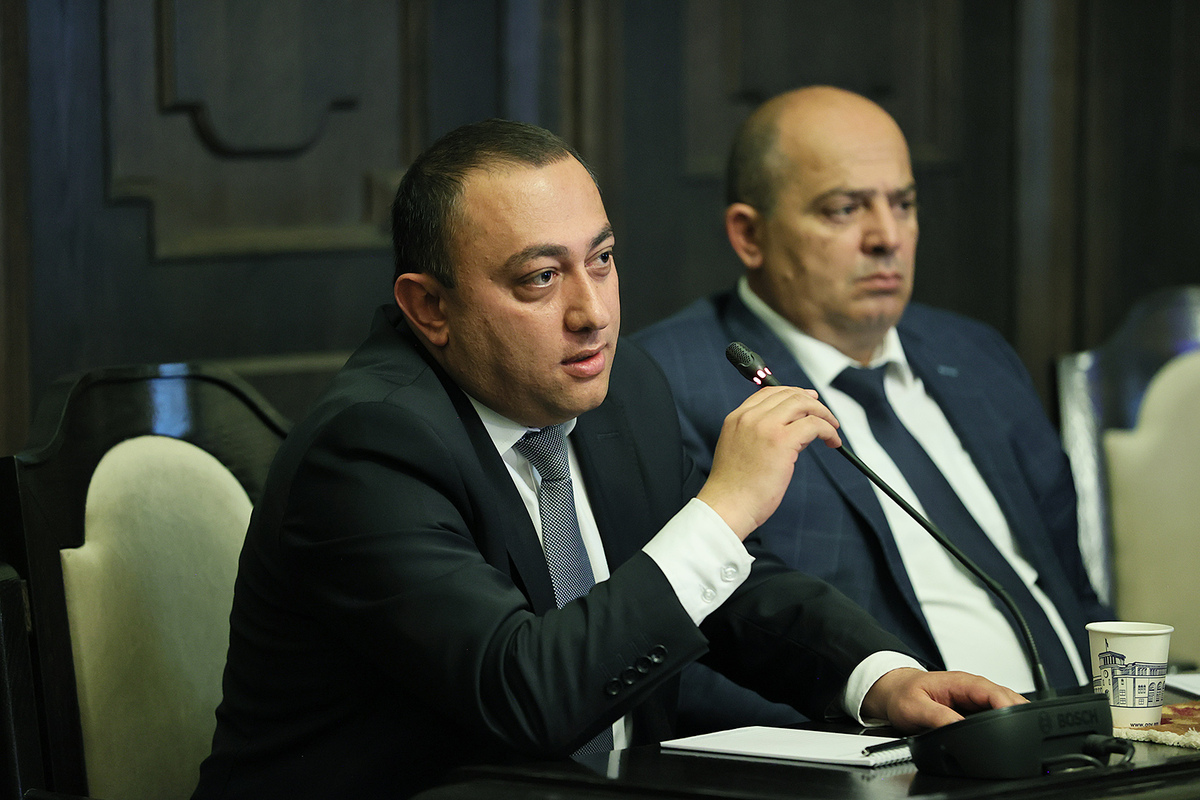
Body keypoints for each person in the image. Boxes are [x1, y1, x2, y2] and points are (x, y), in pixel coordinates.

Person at [191, 118, 1023, 800]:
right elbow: (528, 693)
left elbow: (725, 589)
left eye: (602, 260)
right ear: (430, 307)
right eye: (539, 279)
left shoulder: (619, 391)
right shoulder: (368, 450)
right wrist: (726, 505)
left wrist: (880, 679)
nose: (592, 312)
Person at [635, 86, 1112, 733]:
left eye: (903, 204)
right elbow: (690, 652)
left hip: (1090, 738)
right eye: (844, 209)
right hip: (905, 752)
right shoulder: (665, 383)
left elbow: (1071, 587)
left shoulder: (976, 355)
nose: (887, 238)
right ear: (749, 235)